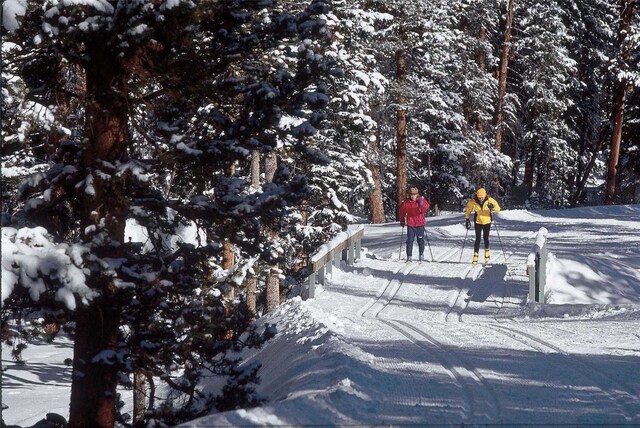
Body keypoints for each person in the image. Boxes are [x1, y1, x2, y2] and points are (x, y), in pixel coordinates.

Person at [465, 187, 501, 265]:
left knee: (486, 238)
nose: (481, 199)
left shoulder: (489, 200)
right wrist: (467, 219)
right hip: (478, 221)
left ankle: (487, 252)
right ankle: (475, 255)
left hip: (487, 221)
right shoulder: (473, 201)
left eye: (482, 197)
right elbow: (468, 209)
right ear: (477, 196)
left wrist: (492, 207)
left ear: (485, 196)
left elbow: (498, 209)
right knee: (477, 239)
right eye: (479, 197)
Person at [399, 187, 430, 261]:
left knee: (420, 240)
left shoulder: (421, 201)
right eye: (411, 195)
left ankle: (421, 254)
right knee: (409, 240)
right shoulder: (406, 202)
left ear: (417, 195)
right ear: (409, 195)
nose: (413, 196)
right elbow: (402, 211)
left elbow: (425, 209)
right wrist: (402, 220)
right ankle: (409, 256)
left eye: (414, 195)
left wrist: (421, 202)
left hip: (420, 224)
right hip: (411, 224)